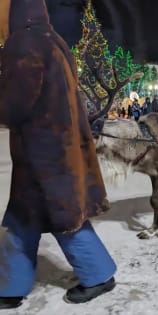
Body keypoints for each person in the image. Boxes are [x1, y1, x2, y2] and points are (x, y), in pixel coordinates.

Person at [0, 0, 116, 309]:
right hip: (58, 149)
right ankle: (11, 285)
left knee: (63, 217)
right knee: (26, 217)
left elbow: (14, 104)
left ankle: (99, 276)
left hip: (44, 154)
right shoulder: (53, 40)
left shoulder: (23, 43)